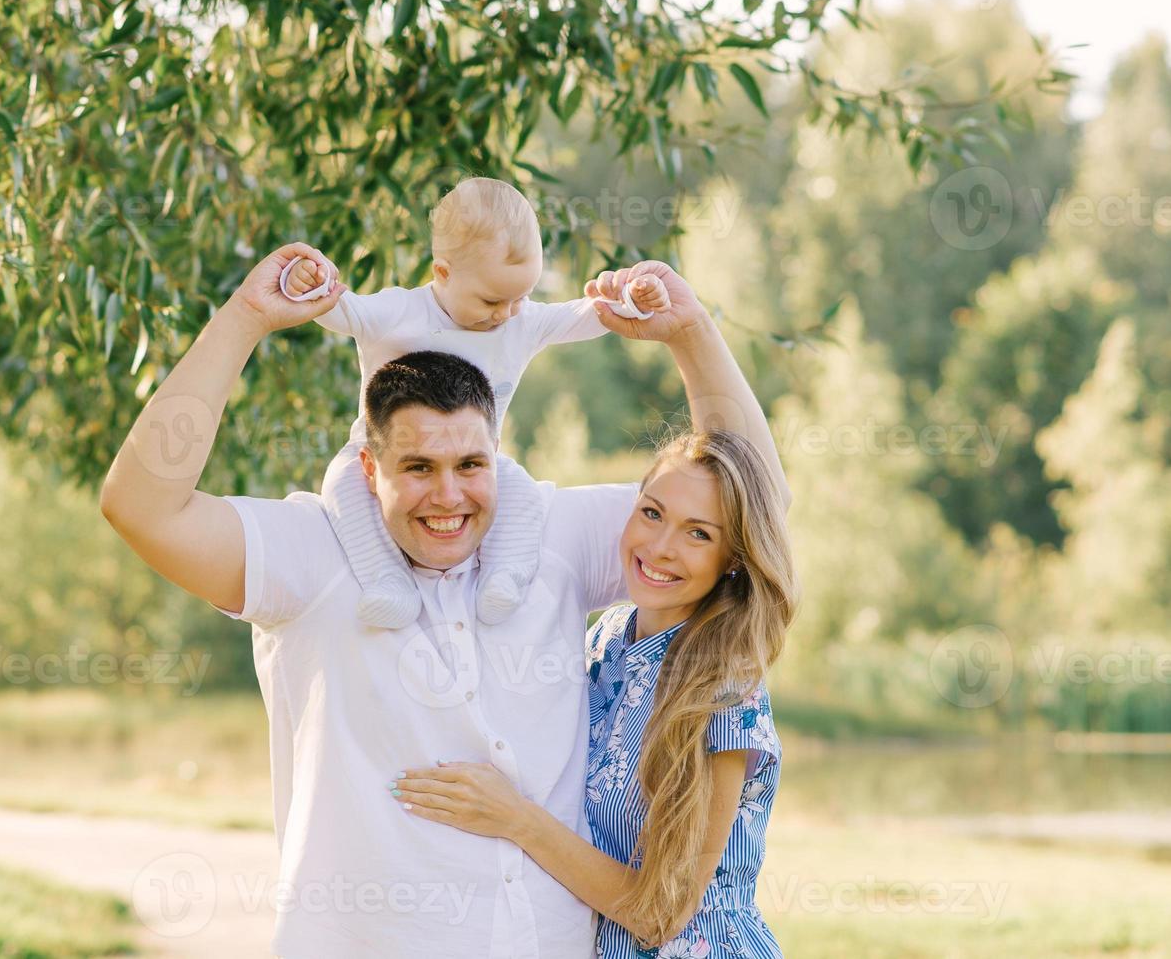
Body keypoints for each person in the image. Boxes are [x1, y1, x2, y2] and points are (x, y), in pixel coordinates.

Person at [98, 242, 789, 959]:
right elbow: (141, 508)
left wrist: (691, 333)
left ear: (496, 452)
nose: (448, 496)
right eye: (418, 467)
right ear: (371, 469)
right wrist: (243, 319)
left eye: (470, 464)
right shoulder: (309, 554)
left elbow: (748, 498)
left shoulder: (553, 535)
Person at [390, 424, 796, 957]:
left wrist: (515, 818)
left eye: (699, 534)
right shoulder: (606, 637)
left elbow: (661, 914)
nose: (660, 547)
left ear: (735, 559)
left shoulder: (723, 688)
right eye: (652, 513)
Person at [282, 177, 665, 628]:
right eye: (491, 299)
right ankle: (386, 581)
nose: (506, 313)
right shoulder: (398, 313)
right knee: (341, 489)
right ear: (441, 272)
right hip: (382, 460)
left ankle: (506, 576)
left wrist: (630, 300)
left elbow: (586, 316)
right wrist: (307, 280)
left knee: (524, 497)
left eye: (521, 297)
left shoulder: (521, 321)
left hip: (476, 461)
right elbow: (337, 308)